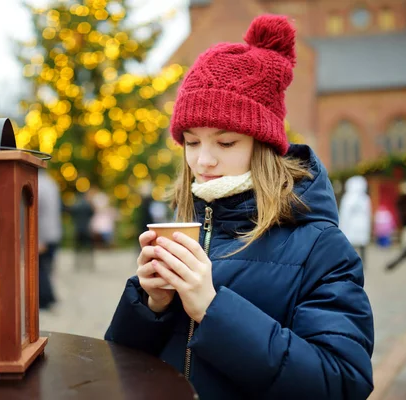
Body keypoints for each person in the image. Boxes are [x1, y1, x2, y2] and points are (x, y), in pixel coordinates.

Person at [105, 15, 374, 400]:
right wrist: (151, 305)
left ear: (261, 145)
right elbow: (118, 367)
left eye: (225, 142)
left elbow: (342, 381)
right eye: (192, 142)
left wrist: (212, 310)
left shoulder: (321, 247)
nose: (203, 162)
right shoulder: (186, 225)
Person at [37, 169, 62, 309]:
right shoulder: (51, 183)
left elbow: (37, 212)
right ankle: (50, 297)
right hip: (54, 232)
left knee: (40, 268)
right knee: (47, 267)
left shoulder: (38, 185)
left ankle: (45, 299)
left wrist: (39, 239)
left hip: (44, 234)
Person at [339, 175, 371, 263]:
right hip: (360, 226)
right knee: (360, 245)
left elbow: (344, 214)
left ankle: (351, 262)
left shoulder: (348, 198)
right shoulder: (365, 198)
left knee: (351, 245)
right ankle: (361, 262)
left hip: (352, 226)